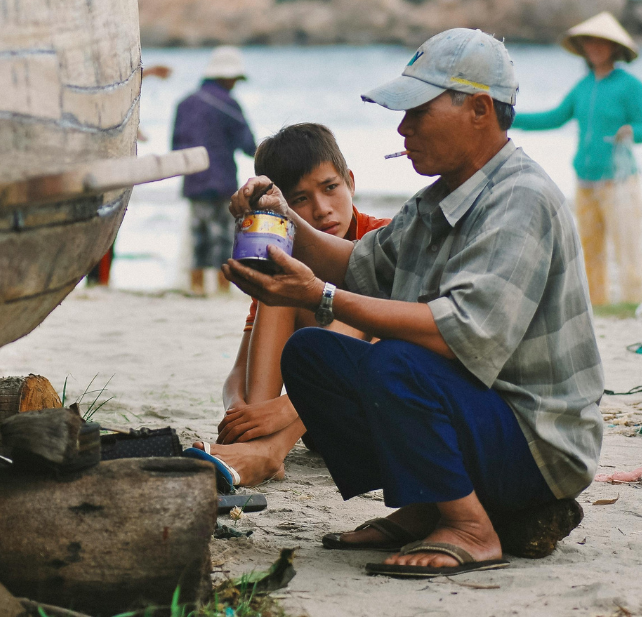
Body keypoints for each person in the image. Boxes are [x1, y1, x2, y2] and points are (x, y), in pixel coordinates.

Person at [222, 29, 602, 578]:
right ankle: (430, 506)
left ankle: (471, 526)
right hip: (480, 421)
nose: (403, 129)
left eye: (417, 113)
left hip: (538, 444)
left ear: (478, 109)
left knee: (398, 360)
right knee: (312, 355)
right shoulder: (438, 201)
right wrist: (280, 216)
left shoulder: (521, 199)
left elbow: (457, 334)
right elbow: (360, 263)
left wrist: (320, 295)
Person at [207, 124, 389, 486]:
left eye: (330, 188)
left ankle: (269, 451)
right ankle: (257, 445)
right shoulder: (285, 259)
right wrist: (242, 412)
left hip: (382, 416)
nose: (322, 210)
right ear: (282, 207)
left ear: (350, 181)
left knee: (355, 298)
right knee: (284, 288)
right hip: (322, 431)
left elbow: (397, 347)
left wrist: (286, 407)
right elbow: (239, 369)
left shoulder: (381, 239)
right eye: (300, 199)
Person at [513, 12, 642, 306]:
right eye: (590, 42)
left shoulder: (631, 86)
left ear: (615, 47)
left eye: (602, 43)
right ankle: (596, 306)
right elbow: (555, 117)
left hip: (619, 181)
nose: (595, 48)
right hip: (585, 180)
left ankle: (635, 302)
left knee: (627, 248)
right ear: (584, 47)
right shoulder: (583, 86)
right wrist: (507, 117)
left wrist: (630, 131)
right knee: (589, 250)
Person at [171, 48, 256, 295]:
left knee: (198, 237)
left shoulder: (184, 104)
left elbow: (176, 147)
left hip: (194, 181)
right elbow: (248, 145)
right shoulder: (229, 104)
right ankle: (221, 290)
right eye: (234, 79)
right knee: (223, 239)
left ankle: (196, 286)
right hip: (222, 181)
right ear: (227, 78)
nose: (235, 85)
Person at [87, 65, 173, 286]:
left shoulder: (98, 101)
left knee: (102, 229)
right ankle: (100, 282)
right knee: (104, 229)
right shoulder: (102, 98)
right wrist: (151, 73)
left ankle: (99, 281)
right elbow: (117, 92)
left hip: (101, 173)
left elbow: (117, 95)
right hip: (104, 176)